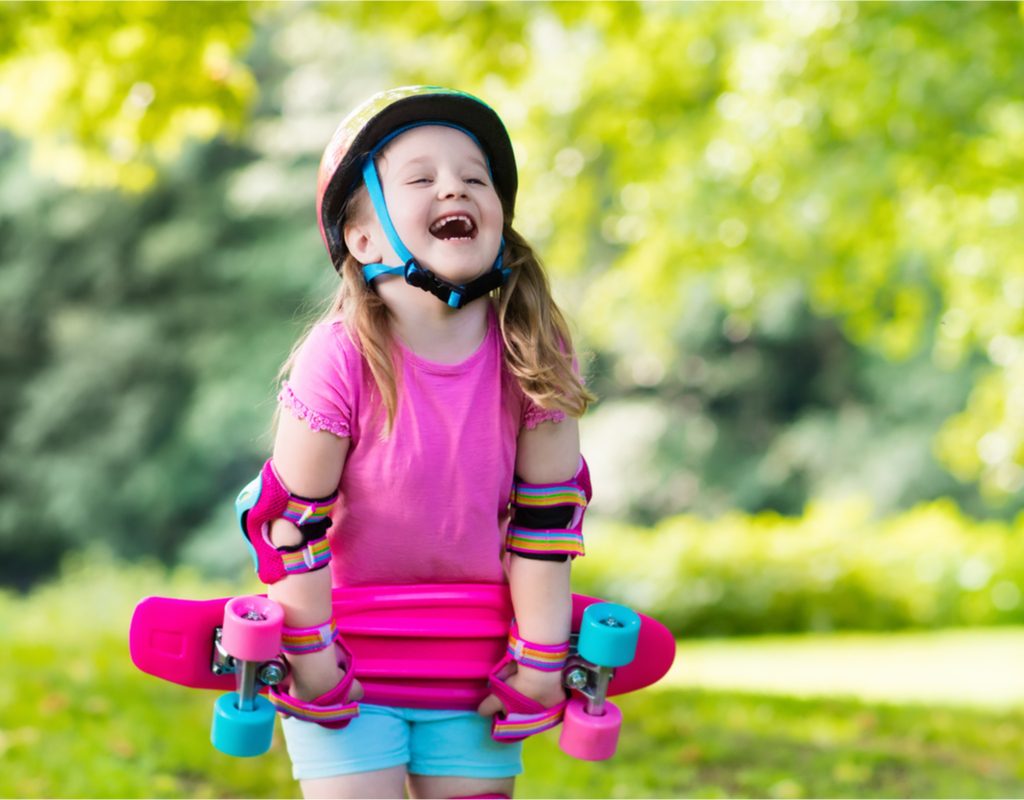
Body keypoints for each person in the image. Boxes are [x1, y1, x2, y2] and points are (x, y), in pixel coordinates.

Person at [239, 86, 594, 799]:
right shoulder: (338, 357)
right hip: (344, 653)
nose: (454, 186)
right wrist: (312, 659)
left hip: (470, 657)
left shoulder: (533, 349)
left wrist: (541, 660)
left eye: (474, 176)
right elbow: (290, 525)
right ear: (363, 239)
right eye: (422, 177)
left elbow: (546, 525)